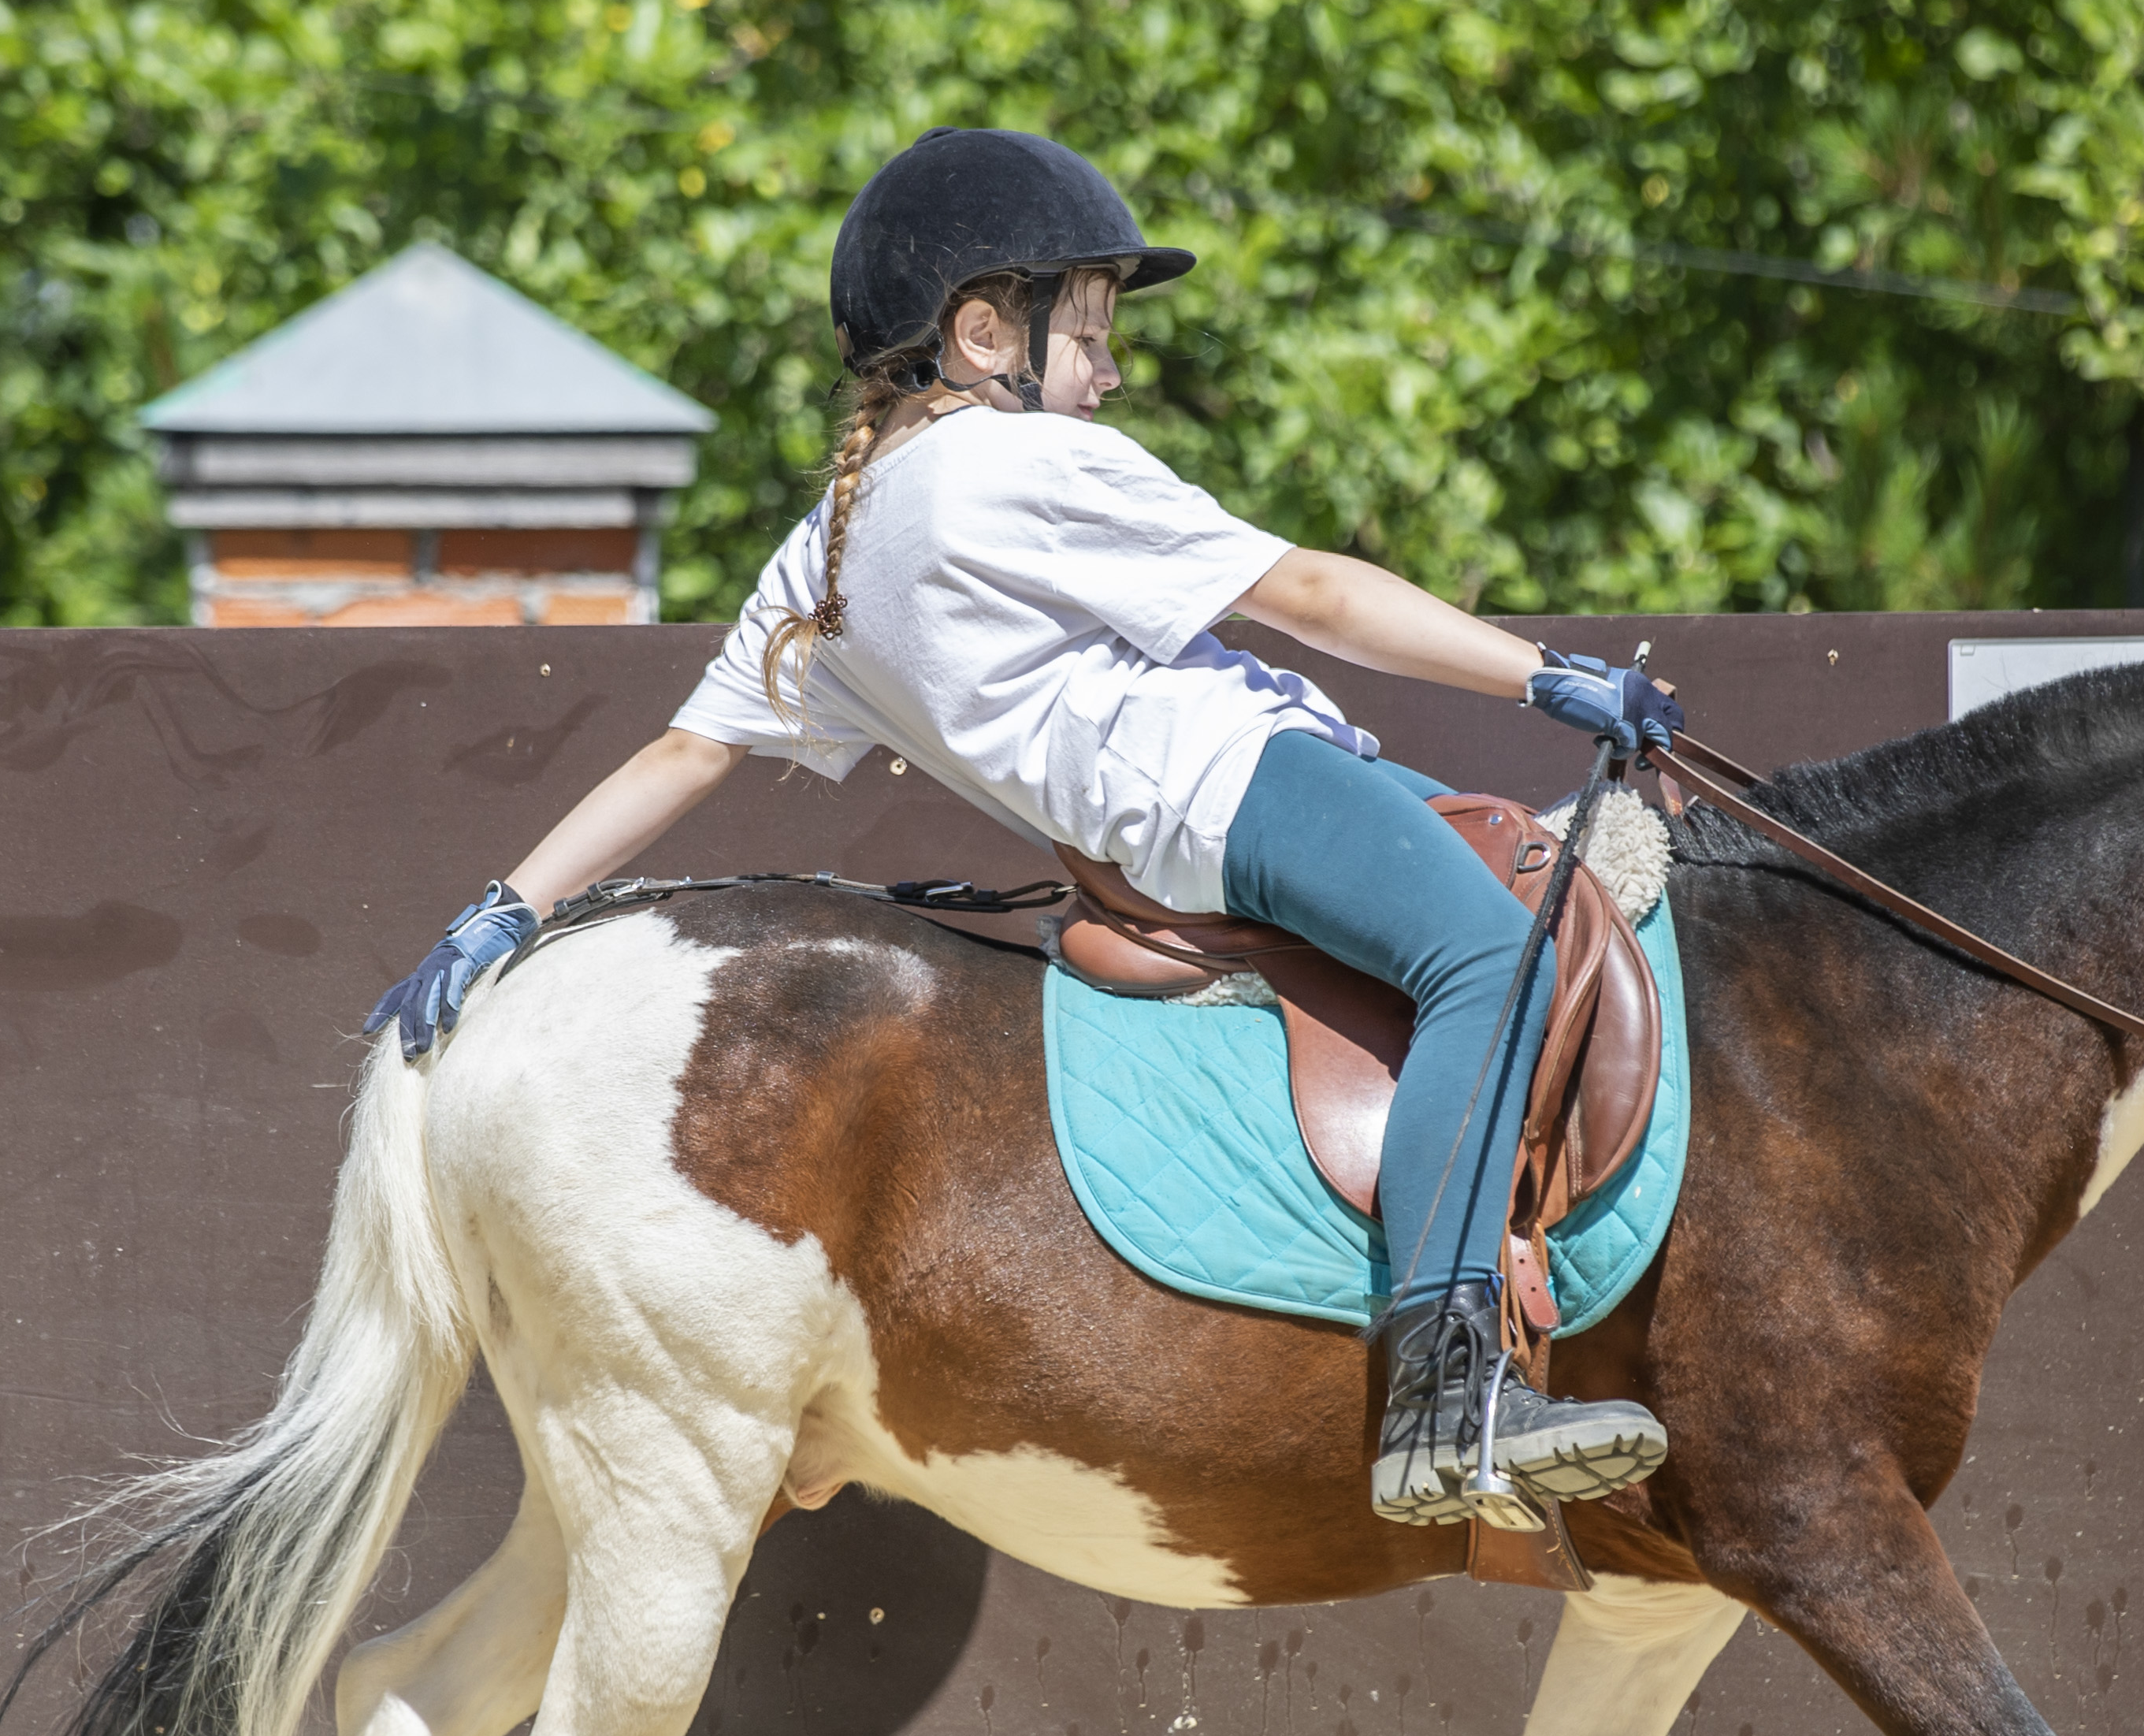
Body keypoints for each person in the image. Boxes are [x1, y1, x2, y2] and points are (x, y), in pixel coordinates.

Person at [363, 128, 1682, 1526]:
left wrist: (506, 906)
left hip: (1138, 838)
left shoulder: (826, 548)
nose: (1109, 373)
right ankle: (1448, 1389)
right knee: (1497, 950)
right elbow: (1311, 594)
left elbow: (687, 751)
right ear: (984, 331)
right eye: (1091, 334)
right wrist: (1539, 671)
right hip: (1232, 784)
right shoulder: (1030, 465)